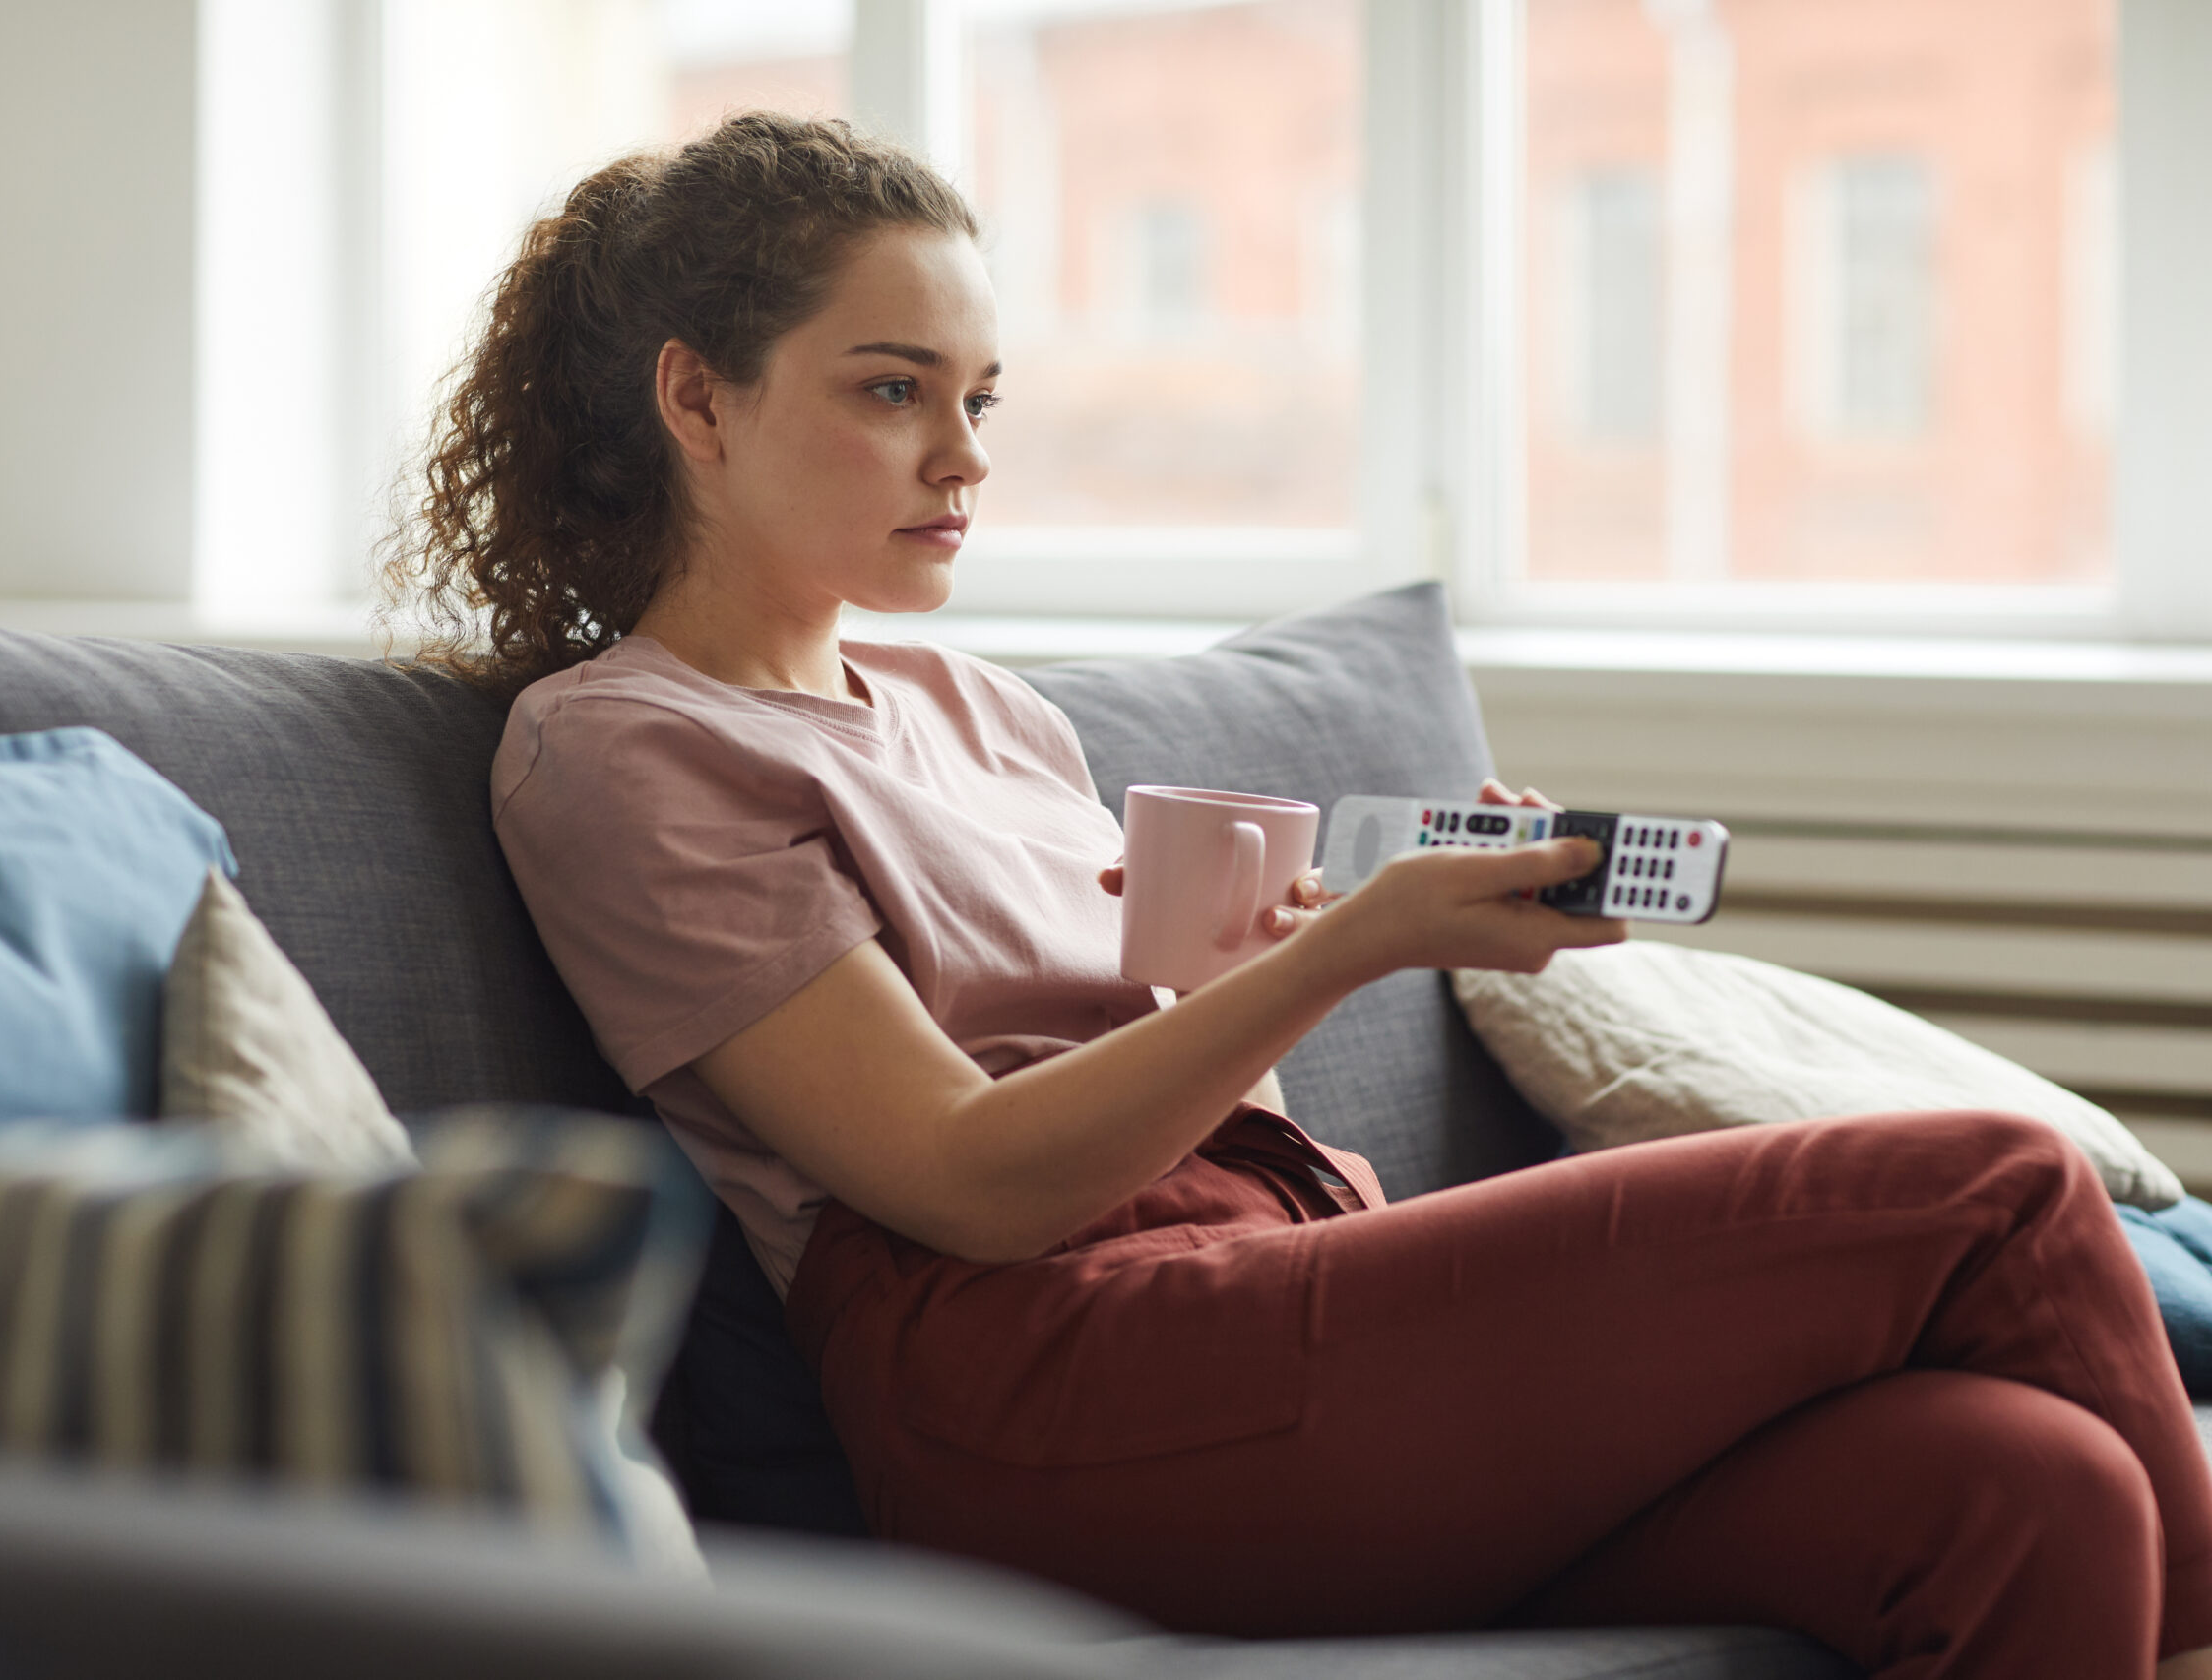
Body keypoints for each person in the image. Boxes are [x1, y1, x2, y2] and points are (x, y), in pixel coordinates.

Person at [389, 111, 2212, 1678]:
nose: (965, 458)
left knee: (2018, 1489)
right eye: (891, 392)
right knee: (2001, 1182)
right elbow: (971, 1178)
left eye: (979, 399)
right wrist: (1352, 948)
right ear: (695, 396)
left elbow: (1183, 1104)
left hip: (1257, 1285)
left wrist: (1325, 935)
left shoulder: (983, 709)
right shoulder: (622, 748)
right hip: (1029, 1393)